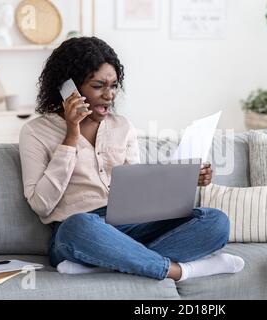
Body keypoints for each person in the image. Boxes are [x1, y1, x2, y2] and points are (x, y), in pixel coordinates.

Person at [19, 37, 244, 282]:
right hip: (80, 232)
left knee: (215, 221)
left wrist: (186, 180)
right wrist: (71, 135)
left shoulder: (122, 127)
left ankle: (107, 262)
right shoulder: (36, 132)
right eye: (98, 86)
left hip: (131, 227)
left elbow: (138, 196)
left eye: (114, 85)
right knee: (78, 226)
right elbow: (41, 205)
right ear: (69, 88)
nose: (109, 95)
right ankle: (180, 271)